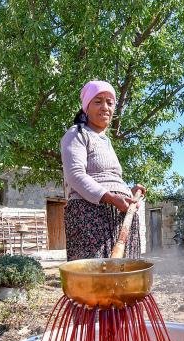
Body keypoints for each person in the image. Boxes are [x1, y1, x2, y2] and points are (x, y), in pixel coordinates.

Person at [60, 80, 146, 261]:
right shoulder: (77, 134)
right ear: (86, 107)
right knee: (96, 274)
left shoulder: (106, 141)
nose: (105, 107)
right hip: (90, 216)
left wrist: (127, 192)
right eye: (98, 101)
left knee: (123, 275)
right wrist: (111, 198)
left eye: (110, 102)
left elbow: (108, 178)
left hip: (119, 217)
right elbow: (75, 175)